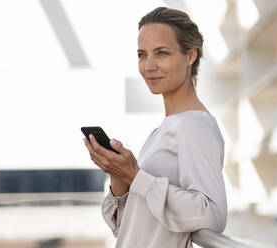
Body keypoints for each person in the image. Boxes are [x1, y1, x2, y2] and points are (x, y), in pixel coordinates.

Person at [83, 6, 227, 248]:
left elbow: (212, 216)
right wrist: (120, 177)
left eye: (161, 53)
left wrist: (134, 175)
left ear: (190, 55)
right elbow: (129, 226)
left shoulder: (195, 125)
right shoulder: (161, 131)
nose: (149, 66)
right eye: (142, 54)